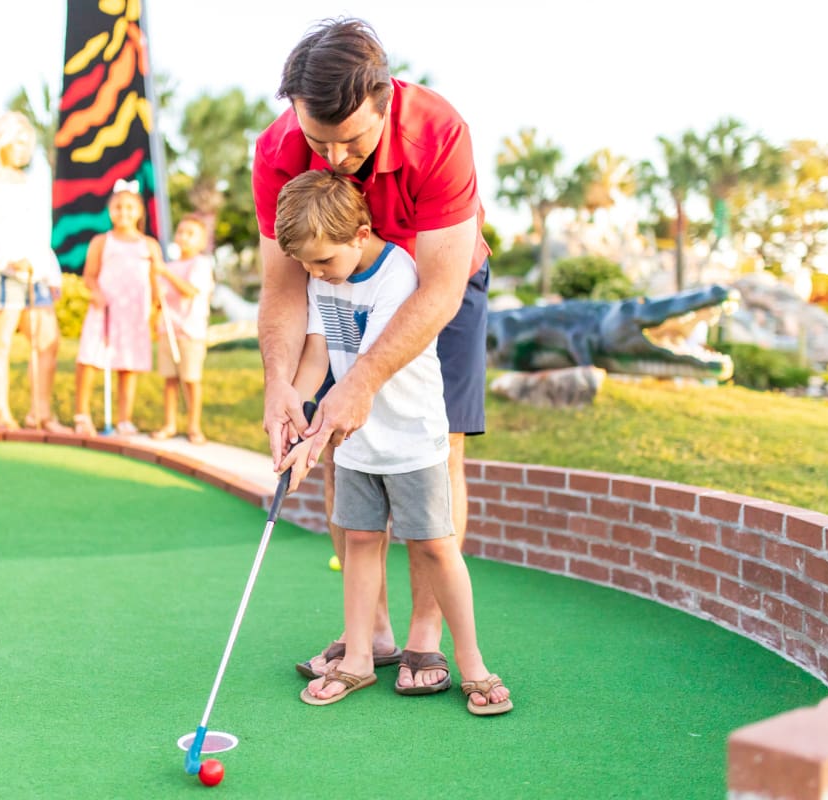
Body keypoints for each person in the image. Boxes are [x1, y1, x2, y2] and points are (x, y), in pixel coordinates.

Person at [253, 17, 493, 695]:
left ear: (384, 102)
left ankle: (426, 634)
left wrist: (360, 380)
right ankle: (374, 635)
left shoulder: (438, 132)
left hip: (440, 288)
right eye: (317, 141)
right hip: (337, 286)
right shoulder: (277, 149)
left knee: (437, 448)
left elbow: (439, 288)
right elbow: (282, 288)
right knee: (337, 443)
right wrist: (282, 388)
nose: (331, 157)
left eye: (350, 141)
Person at [275, 170, 511, 714]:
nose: (316, 274)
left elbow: (366, 365)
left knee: (433, 545)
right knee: (358, 541)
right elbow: (318, 352)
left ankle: (472, 661)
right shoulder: (323, 275)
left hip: (409, 439)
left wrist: (313, 442)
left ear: (359, 234)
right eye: (307, 266)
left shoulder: (397, 274)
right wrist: (297, 407)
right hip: (356, 442)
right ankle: (359, 657)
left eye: (322, 262)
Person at [0, 110, 69, 433]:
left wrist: (51, 271)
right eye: (19, 142)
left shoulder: (24, 180)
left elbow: (37, 232)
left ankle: (41, 414)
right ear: (1, 140)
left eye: (28, 144)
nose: (25, 150)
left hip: (34, 273)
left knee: (47, 341)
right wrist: (6, 258)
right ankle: (1, 417)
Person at [73, 188, 163, 436]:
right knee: (90, 358)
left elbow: (156, 279)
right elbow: (89, 276)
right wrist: (96, 293)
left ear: (139, 212)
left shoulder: (149, 245)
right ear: (111, 211)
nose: (123, 212)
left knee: (128, 364)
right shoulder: (102, 241)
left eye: (129, 207)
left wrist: (155, 309)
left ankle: (124, 419)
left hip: (134, 313)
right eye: (118, 207)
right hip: (104, 309)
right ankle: (82, 415)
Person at [150, 213, 214, 445]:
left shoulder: (200, 264)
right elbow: (161, 298)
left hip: (190, 333)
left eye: (190, 234)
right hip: (168, 331)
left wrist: (165, 273)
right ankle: (169, 424)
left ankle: (194, 427)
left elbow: (190, 291)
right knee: (170, 380)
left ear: (201, 241)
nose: (184, 237)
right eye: (180, 232)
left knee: (191, 380)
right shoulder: (170, 266)